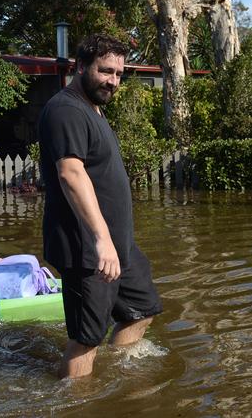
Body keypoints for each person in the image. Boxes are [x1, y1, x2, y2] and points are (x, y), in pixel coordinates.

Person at [38, 34, 163, 379]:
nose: (113, 81)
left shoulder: (92, 109)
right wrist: (101, 239)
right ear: (81, 67)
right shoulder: (66, 109)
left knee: (142, 309)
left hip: (115, 245)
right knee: (86, 339)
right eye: (105, 71)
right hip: (87, 247)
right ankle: (76, 403)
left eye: (119, 73)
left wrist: (115, 241)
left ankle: (115, 374)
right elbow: (71, 173)